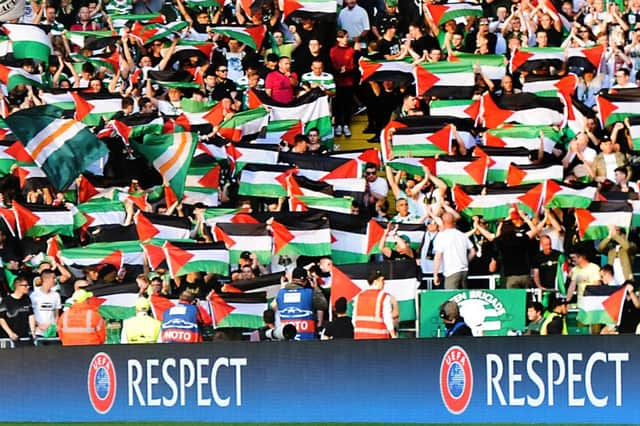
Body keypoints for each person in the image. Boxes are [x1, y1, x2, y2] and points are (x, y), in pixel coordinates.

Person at [271, 267, 328, 340]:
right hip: (307, 339)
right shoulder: (310, 293)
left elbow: (273, 306)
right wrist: (316, 288)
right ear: (305, 281)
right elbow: (323, 305)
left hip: (287, 338)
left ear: (292, 279)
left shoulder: (280, 293)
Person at [433, 212, 475, 289]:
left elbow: (438, 257)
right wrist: (465, 261)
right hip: (464, 271)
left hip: (451, 272)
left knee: (451, 298)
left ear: (443, 222)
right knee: (463, 298)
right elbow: (473, 251)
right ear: (454, 222)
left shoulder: (441, 236)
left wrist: (435, 275)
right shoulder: (462, 235)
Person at [352, 270, 397, 339]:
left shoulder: (358, 296)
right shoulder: (384, 296)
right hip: (379, 338)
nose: (384, 283)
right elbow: (387, 318)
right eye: (382, 280)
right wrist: (393, 335)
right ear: (375, 282)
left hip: (360, 337)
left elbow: (354, 319)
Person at [0, 276, 36, 346]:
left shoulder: (27, 299)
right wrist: (10, 333)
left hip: (25, 336)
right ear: (17, 286)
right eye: (25, 285)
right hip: (10, 337)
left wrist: (33, 332)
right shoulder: (6, 300)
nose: (28, 287)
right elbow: (1, 318)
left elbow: (31, 315)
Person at [30, 269, 62, 338]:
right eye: (53, 278)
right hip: (39, 331)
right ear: (46, 279)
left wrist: (54, 326)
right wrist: (39, 325)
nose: (55, 280)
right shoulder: (34, 295)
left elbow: (56, 314)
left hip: (52, 331)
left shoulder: (56, 295)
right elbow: (31, 313)